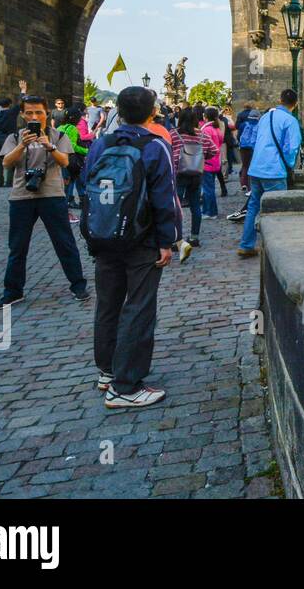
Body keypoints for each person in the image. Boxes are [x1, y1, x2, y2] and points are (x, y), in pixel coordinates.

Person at [84, 86, 179, 409]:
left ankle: (107, 371)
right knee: (138, 307)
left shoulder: (100, 145)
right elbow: (165, 198)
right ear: (153, 113)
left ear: (118, 113)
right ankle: (125, 386)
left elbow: (87, 189)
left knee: (108, 305)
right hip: (142, 240)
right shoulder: (156, 147)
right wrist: (168, 241)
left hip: (105, 236)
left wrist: (92, 232)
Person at [0, 95, 88, 305]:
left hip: (52, 195)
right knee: (17, 246)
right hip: (21, 196)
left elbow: (65, 161)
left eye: (38, 112)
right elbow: (7, 163)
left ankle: (78, 285)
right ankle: (13, 291)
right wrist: (21, 145)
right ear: (22, 114)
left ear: (46, 113)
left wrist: (49, 146)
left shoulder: (57, 136)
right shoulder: (14, 136)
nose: (34, 116)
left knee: (64, 243)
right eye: (29, 113)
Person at [238, 89, 302, 257]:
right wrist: (288, 164)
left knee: (253, 207)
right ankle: (276, 248)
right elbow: (292, 147)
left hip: (256, 168)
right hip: (274, 170)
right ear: (295, 104)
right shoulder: (290, 120)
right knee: (277, 209)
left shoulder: (265, 117)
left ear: (280, 100)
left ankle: (246, 244)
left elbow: (254, 140)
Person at [170, 107, 217, 262]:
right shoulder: (202, 135)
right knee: (196, 206)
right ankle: (195, 237)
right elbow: (214, 151)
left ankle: (176, 239)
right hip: (196, 174)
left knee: (175, 207)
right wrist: (202, 156)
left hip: (179, 174)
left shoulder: (174, 134)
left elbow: (167, 150)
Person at [56, 105, 91, 221]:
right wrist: (87, 151)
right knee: (69, 184)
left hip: (59, 158)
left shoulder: (60, 127)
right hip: (70, 160)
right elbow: (72, 146)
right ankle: (67, 209)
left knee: (66, 184)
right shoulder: (72, 128)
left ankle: (67, 206)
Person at [0, 96, 20, 188]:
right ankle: (9, 182)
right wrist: (23, 91)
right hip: (9, 139)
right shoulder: (11, 113)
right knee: (10, 161)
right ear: (10, 104)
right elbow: (20, 104)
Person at [200, 106, 223, 217]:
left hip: (207, 162)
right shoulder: (217, 128)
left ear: (205, 117)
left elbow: (203, 148)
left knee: (208, 189)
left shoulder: (206, 129)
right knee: (210, 187)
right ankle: (207, 210)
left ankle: (210, 212)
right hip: (215, 161)